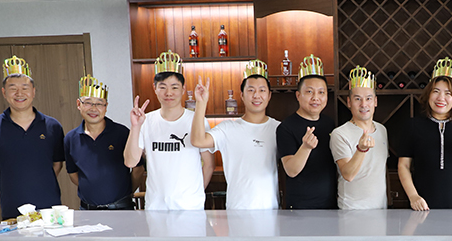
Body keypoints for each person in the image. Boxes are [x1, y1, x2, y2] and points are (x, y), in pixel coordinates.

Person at [124, 50, 214, 210]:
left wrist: (196, 194)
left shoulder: (197, 120)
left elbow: (208, 164)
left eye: (174, 87)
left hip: (190, 208)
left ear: (183, 89)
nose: (169, 93)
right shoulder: (146, 121)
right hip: (156, 208)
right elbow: (130, 161)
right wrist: (135, 127)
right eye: (162, 87)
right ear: (154, 88)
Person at [0, 55, 65, 220]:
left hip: (49, 208)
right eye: (12, 88)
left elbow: (57, 164)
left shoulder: (52, 126)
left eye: (25, 87)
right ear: (4, 93)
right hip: (12, 209)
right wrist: (6, 192)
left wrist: (39, 184)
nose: (19, 93)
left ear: (33, 91)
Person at [189, 60, 281, 210]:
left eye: (262, 90)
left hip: (270, 210)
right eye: (251, 90)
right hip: (236, 210)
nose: (256, 95)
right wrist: (201, 103)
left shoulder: (278, 129)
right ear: (242, 95)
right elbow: (198, 140)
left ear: (269, 95)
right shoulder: (228, 128)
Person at [397, 57, 452, 210]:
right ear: (428, 94)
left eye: (448, 93)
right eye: (436, 91)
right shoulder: (413, 125)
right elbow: (403, 166)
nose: (441, 98)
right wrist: (413, 196)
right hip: (422, 204)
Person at [64, 75, 142, 210]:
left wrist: (125, 193)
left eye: (100, 103)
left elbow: (138, 169)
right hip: (88, 211)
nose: (93, 108)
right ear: (78, 104)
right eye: (88, 103)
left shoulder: (122, 133)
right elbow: (73, 174)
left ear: (106, 107)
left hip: (121, 209)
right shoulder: (70, 138)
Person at [276, 54, 337, 209]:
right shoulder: (286, 127)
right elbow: (291, 170)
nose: (316, 98)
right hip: (300, 207)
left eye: (321, 92)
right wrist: (306, 147)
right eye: (309, 92)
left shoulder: (330, 124)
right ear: (298, 95)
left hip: (331, 206)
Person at [330, 65, 388, 209]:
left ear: (375, 101)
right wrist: (361, 150)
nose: (364, 104)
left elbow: (381, 170)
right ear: (349, 102)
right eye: (357, 99)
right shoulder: (340, 134)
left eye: (368, 99)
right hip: (351, 210)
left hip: (381, 210)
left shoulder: (382, 130)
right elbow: (348, 175)